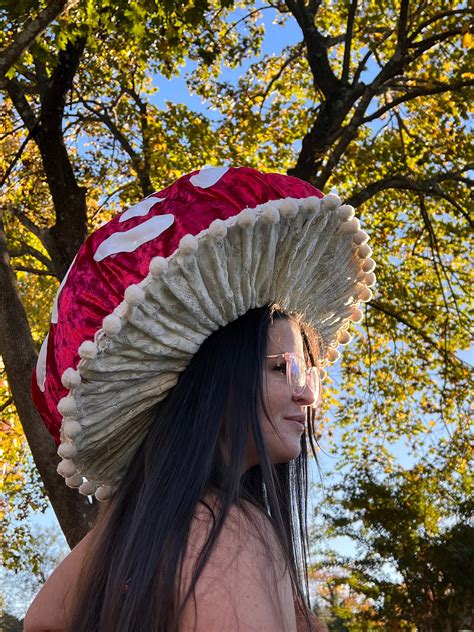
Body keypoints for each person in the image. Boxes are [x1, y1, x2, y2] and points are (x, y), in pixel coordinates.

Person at [24, 166, 375, 631]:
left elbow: (40, 621)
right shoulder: (230, 531)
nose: (306, 392)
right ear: (215, 382)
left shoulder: (121, 533)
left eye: (309, 372)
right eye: (282, 368)